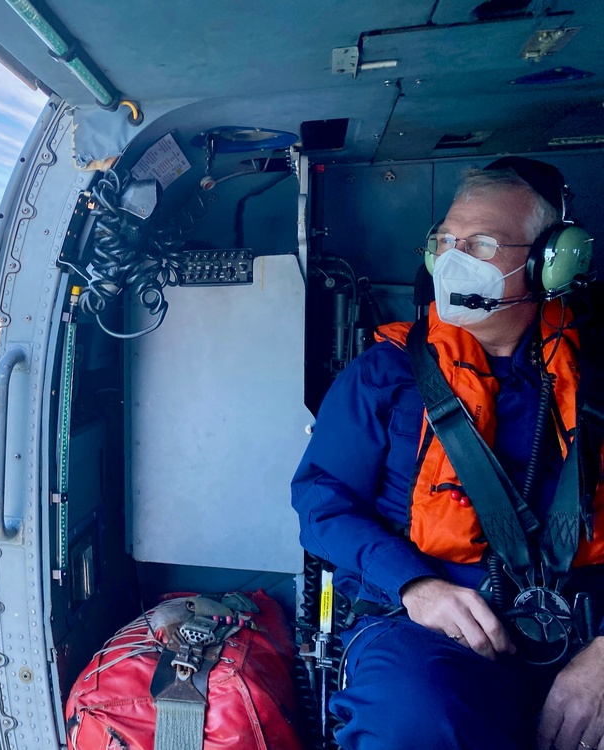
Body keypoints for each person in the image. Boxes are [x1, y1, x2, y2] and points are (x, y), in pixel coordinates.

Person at [291, 157, 604, 750]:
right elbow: (319, 503)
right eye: (445, 240)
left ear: (548, 262)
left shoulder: (596, 374)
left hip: (590, 630)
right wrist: (414, 587)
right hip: (423, 628)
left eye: (482, 243)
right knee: (412, 716)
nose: (455, 258)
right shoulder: (382, 375)